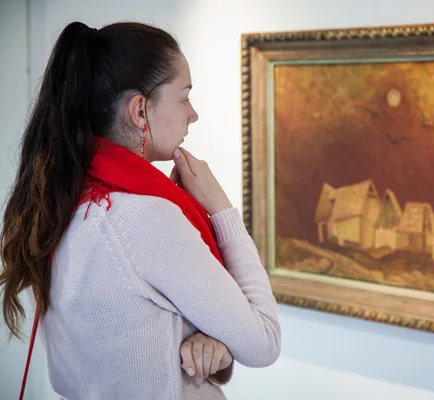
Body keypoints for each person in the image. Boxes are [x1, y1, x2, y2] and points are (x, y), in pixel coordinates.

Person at [0, 21, 281, 399]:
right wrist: (221, 207)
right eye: (184, 97)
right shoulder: (143, 220)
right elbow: (263, 341)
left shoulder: (57, 204)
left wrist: (214, 343)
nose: (193, 114)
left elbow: (96, 356)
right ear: (139, 111)